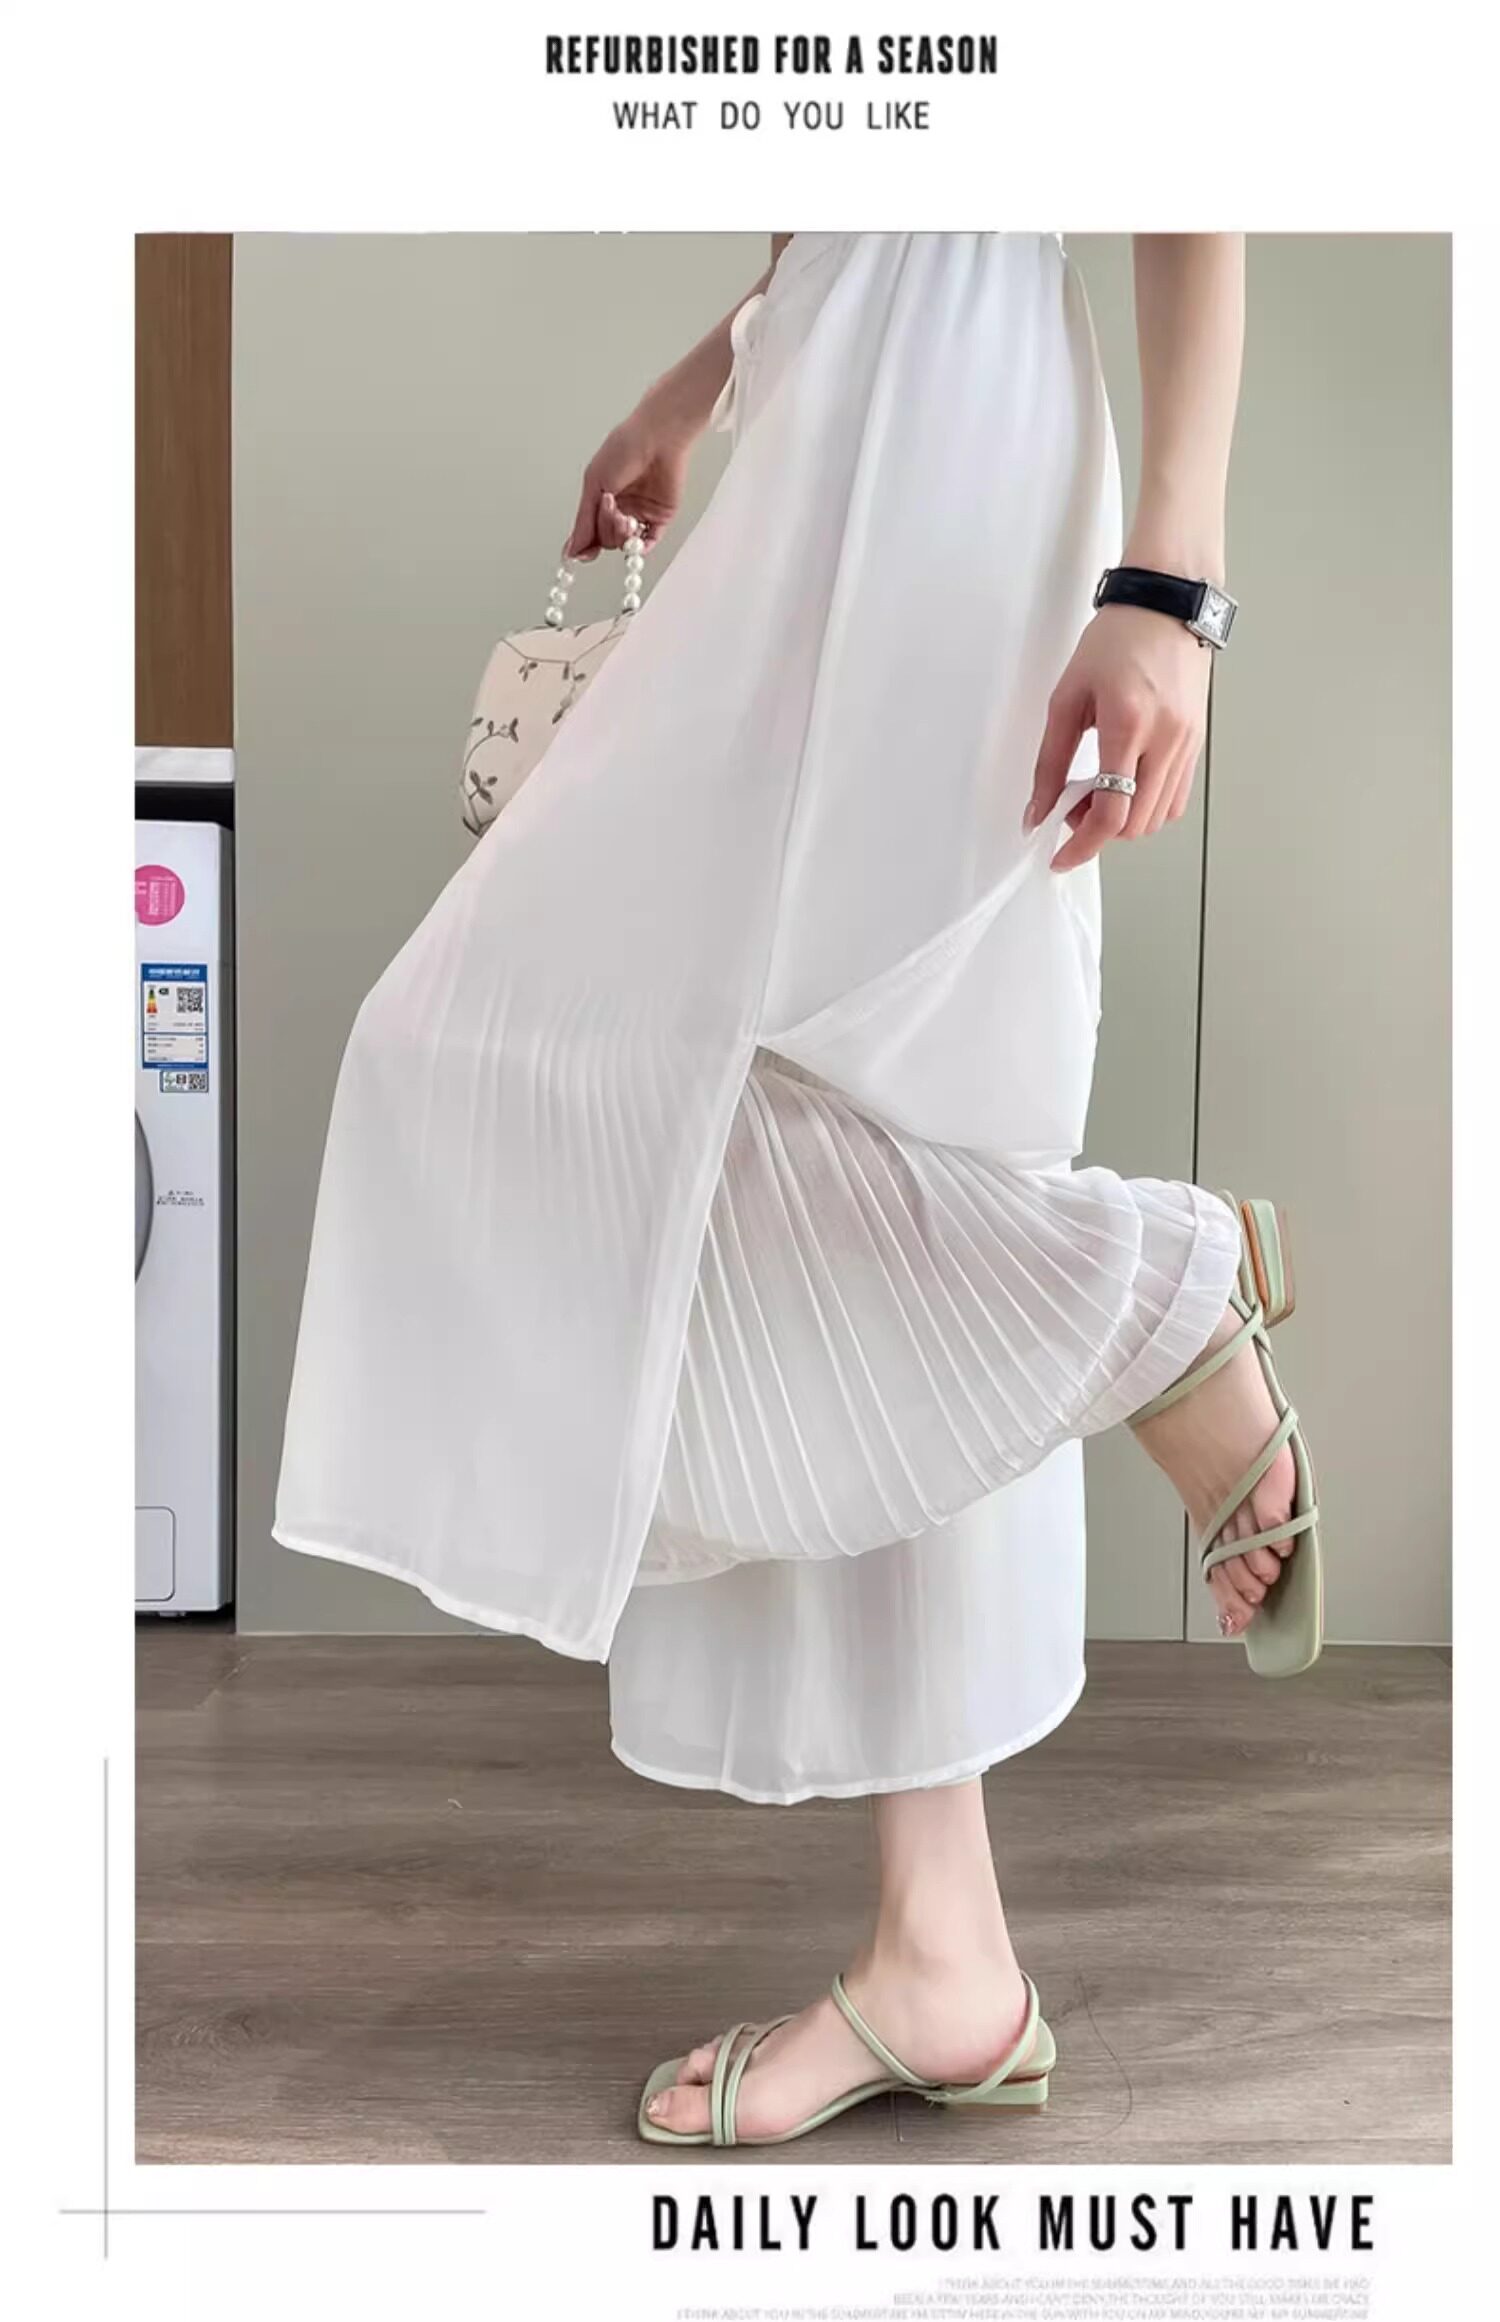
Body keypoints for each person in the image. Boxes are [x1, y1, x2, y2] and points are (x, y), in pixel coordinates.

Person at [274, 233, 1321, 2151]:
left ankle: (1151, 1309)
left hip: (957, 450)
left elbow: (1189, 171)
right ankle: (951, 1945)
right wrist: (701, 381)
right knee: (820, 1123)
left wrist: (1169, 587)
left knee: (876, 1099)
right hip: (827, 421)